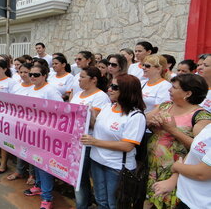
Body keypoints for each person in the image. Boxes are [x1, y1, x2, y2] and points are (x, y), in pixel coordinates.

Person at [80, 74, 146, 209]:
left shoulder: (135, 116)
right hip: (97, 160)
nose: (110, 89)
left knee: (115, 203)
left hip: (116, 167)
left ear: (127, 90)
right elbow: (97, 127)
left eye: (115, 87)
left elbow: (127, 146)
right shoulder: (107, 107)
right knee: (101, 200)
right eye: (110, 85)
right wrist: (91, 116)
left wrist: (95, 142)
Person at [145, 74, 211, 209]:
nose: (169, 90)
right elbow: (145, 120)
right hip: (153, 168)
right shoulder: (166, 106)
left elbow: (199, 148)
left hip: (176, 174)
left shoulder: (201, 116)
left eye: (174, 87)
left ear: (188, 93)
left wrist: (173, 130)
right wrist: (151, 123)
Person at [23, 64, 63, 209]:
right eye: (31, 74)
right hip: (32, 133)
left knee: (44, 166)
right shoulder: (30, 89)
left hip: (46, 135)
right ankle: (38, 186)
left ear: (44, 75)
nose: (32, 77)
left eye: (36, 75)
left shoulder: (51, 91)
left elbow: (61, 111)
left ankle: (47, 197)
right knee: (35, 162)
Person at [70, 66, 110, 209]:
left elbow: (95, 124)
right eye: (79, 77)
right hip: (73, 141)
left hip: (87, 142)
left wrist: (89, 116)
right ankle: (84, 202)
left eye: (82, 77)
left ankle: (82, 205)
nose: (79, 80)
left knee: (80, 176)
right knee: (77, 177)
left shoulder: (100, 97)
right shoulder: (78, 94)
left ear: (94, 80)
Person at [152, 123, 211, 209]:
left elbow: (202, 173)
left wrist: (176, 166)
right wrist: (174, 179)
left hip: (202, 204)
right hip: (186, 197)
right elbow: (193, 154)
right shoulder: (208, 127)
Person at [7, 62, 35, 184]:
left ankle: (32, 175)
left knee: (32, 151)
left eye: (26, 72)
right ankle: (19, 171)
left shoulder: (36, 87)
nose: (23, 75)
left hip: (33, 125)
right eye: (21, 72)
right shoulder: (16, 86)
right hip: (18, 123)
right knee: (20, 147)